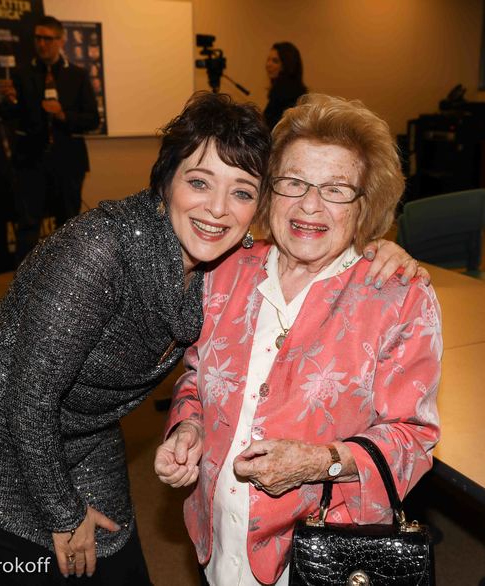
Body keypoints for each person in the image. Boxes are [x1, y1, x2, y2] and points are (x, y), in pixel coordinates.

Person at [0, 91, 422, 586]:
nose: (217, 209)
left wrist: (378, 246)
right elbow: (31, 396)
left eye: (241, 191)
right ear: (166, 179)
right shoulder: (106, 250)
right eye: (199, 182)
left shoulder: (228, 265)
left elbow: (200, 366)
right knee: (31, 566)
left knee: (118, 562)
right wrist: (63, 512)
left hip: (84, 426)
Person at [155, 94, 442, 586]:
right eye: (294, 183)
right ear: (270, 190)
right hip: (217, 536)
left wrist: (319, 463)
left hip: (319, 555)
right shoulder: (225, 272)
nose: (310, 205)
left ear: (364, 202)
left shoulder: (397, 296)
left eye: (336, 189)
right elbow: (194, 375)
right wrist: (188, 428)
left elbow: (413, 438)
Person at [0, 15, 99, 264]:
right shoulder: (22, 75)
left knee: (68, 223)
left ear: (60, 40)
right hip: (30, 160)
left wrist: (63, 114)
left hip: (68, 161)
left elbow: (92, 119)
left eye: (47, 38)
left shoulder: (76, 75)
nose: (41, 43)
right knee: (28, 224)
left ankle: (66, 280)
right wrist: (10, 101)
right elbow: (9, 116)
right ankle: (23, 285)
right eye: (38, 38)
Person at [263, 41, 307, 130]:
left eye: (275, 61)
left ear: (287, 65)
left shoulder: (285, 96)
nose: (268, 64)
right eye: (268, 59)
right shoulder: (283, 93)